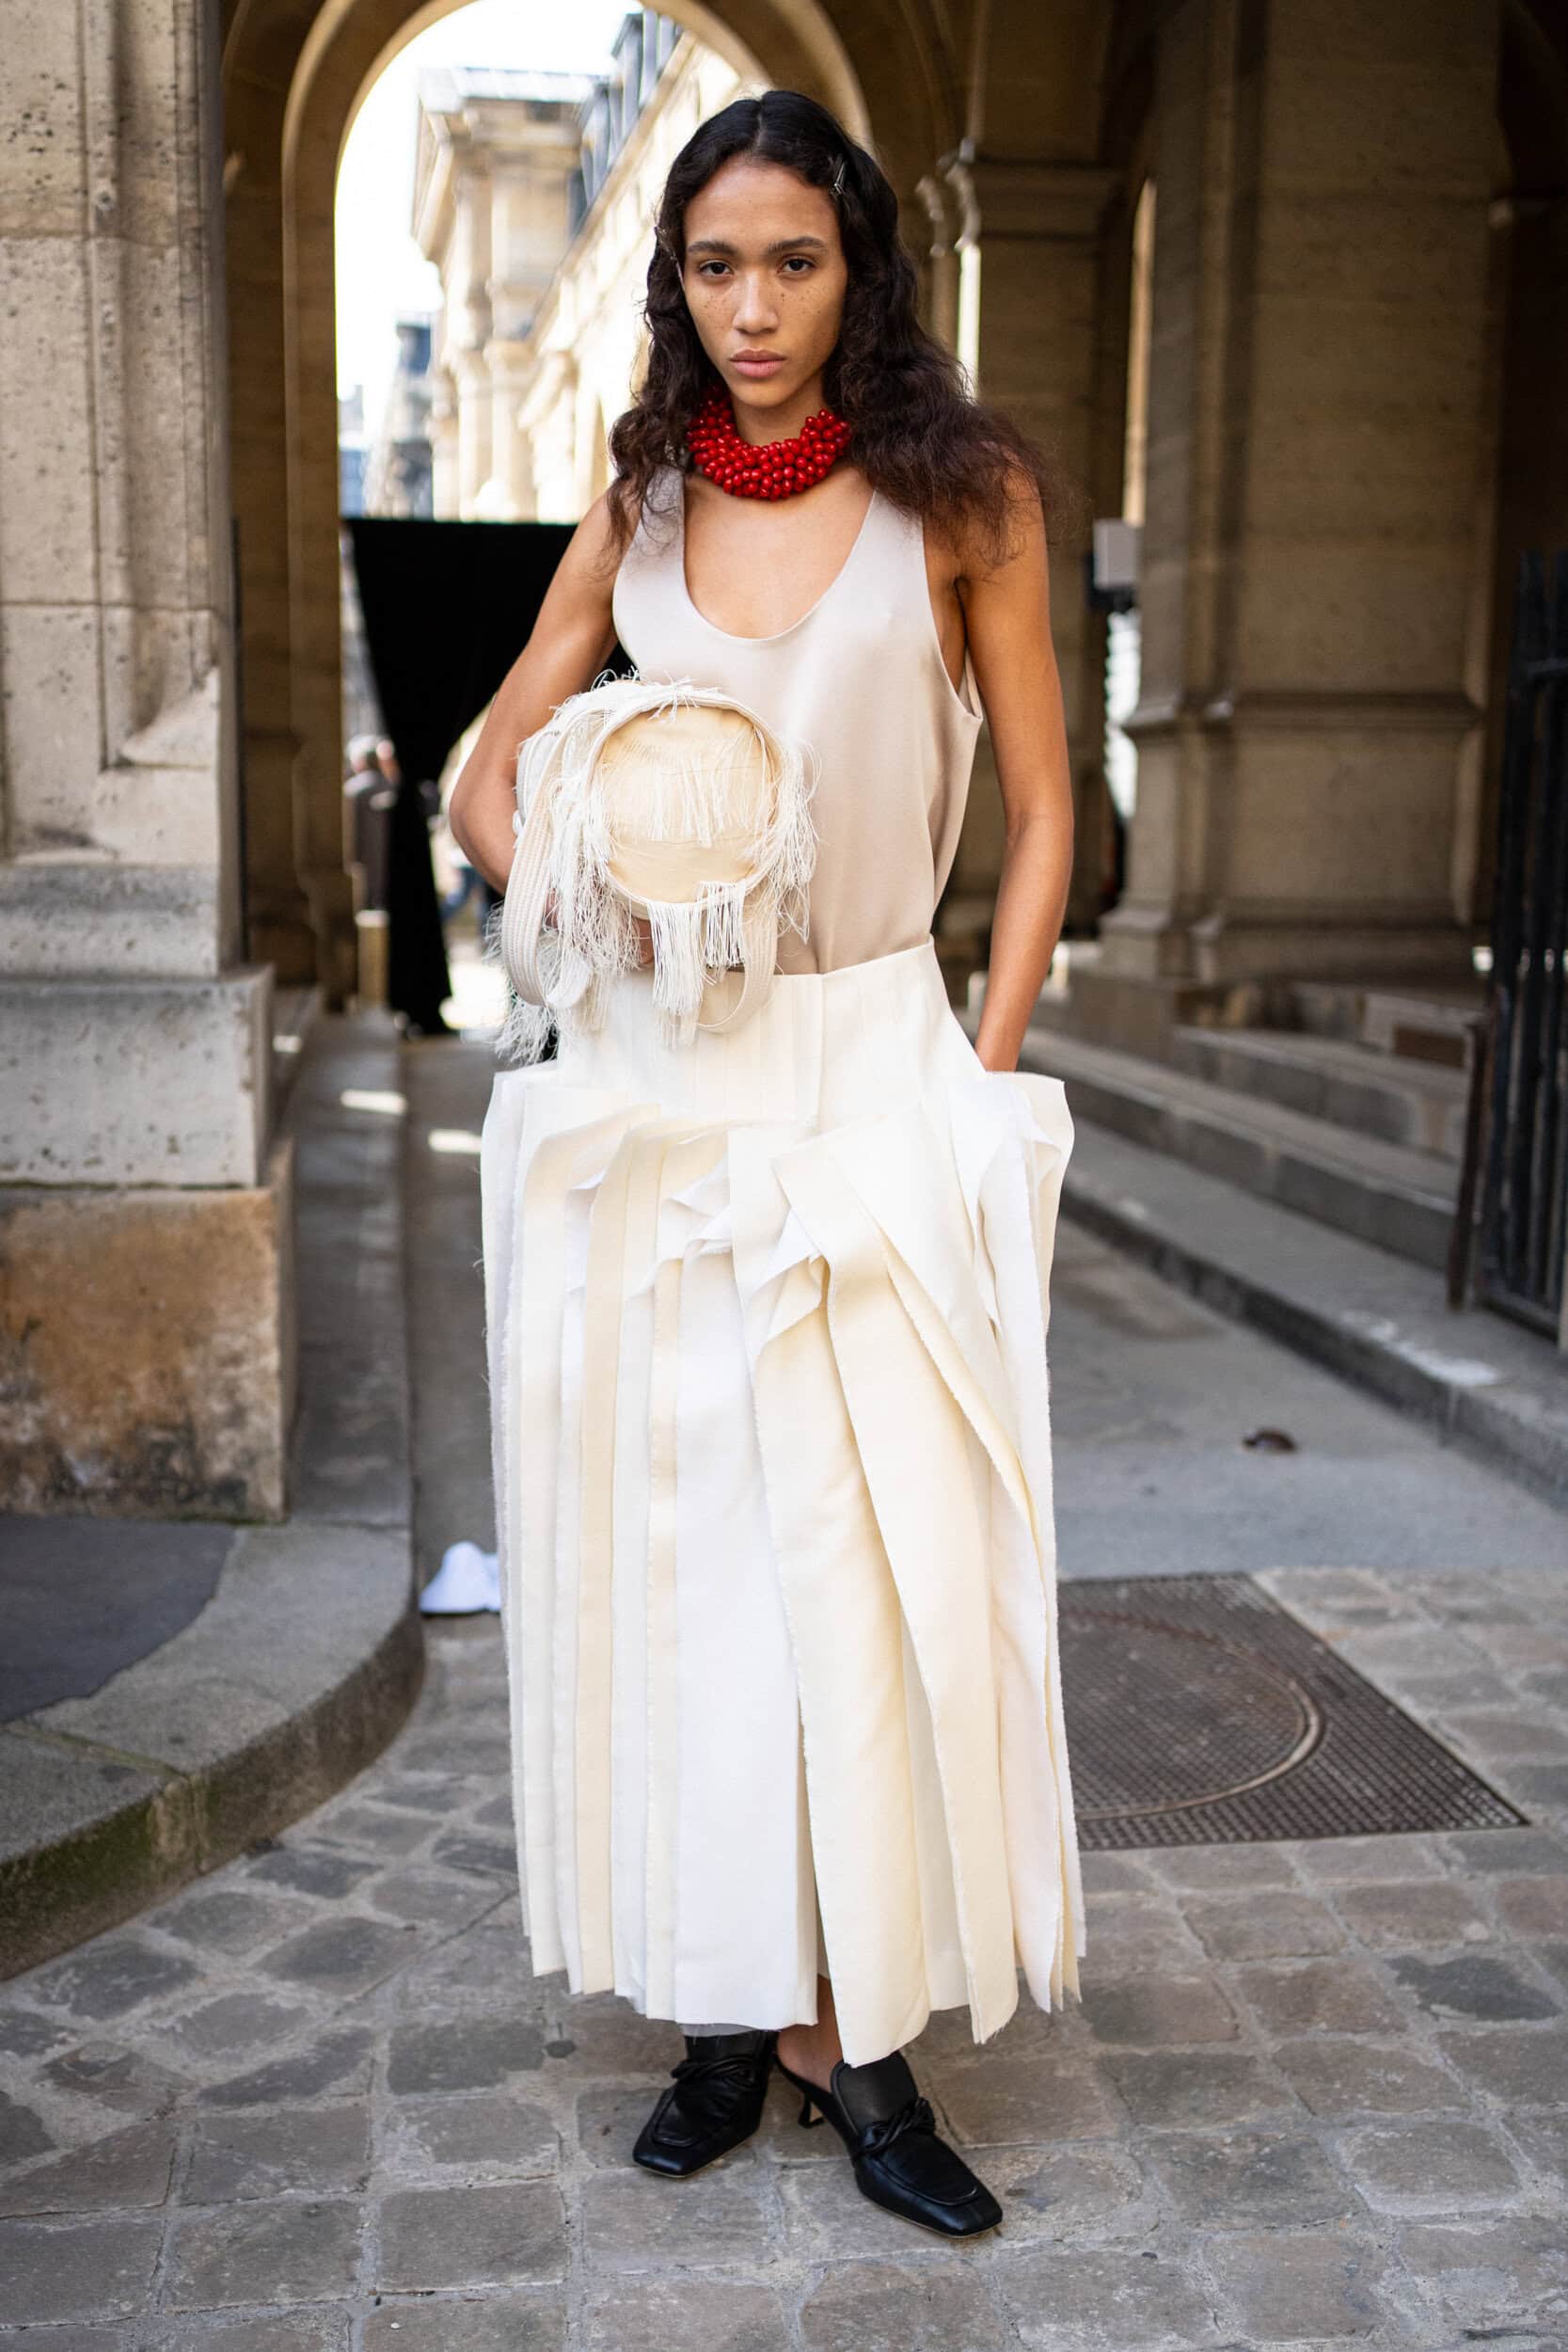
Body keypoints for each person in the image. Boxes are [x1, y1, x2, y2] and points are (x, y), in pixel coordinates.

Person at [449, 88, 1084, 2239]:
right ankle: (734, 2015)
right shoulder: (636, 505)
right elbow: (491, 777)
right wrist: (597, 925)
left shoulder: (967, 497)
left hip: (882, 1078)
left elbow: (1046, 819)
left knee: (871, 1583)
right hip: (670, 1097)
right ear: (676, 285)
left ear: (859, 272)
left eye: (792, 261)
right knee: (698, 1574)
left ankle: (864, 2039)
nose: (751, 306)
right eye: (714, 265)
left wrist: (982, 1075)